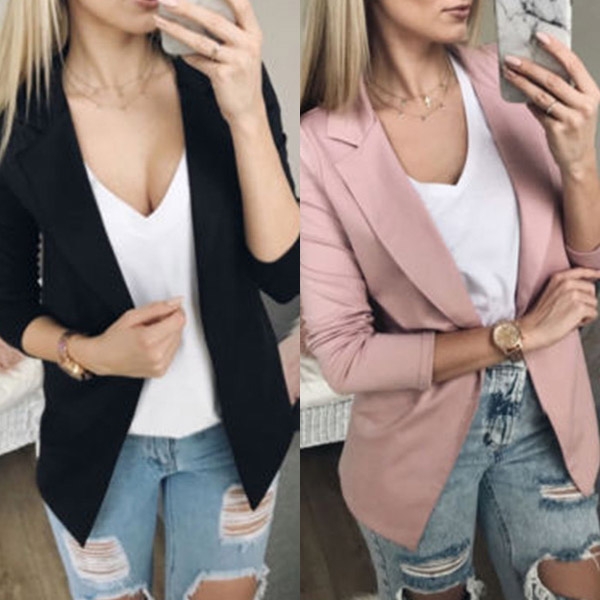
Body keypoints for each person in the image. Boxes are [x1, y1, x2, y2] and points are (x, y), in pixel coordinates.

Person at [0, 0, 299, 598]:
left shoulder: (223, 82)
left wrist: (245, 116)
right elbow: (10, 302)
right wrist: (90, 353)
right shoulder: (18, 119)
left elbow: (284, 273)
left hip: (232, 439)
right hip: (96, 452)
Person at [301, 1, 600, 599]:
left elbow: (586, 278)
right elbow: (344, 356)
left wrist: (580, 163)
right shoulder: (319, 144)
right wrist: (516, 336)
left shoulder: (517, 83)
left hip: (549, 419)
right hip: (417, 443)